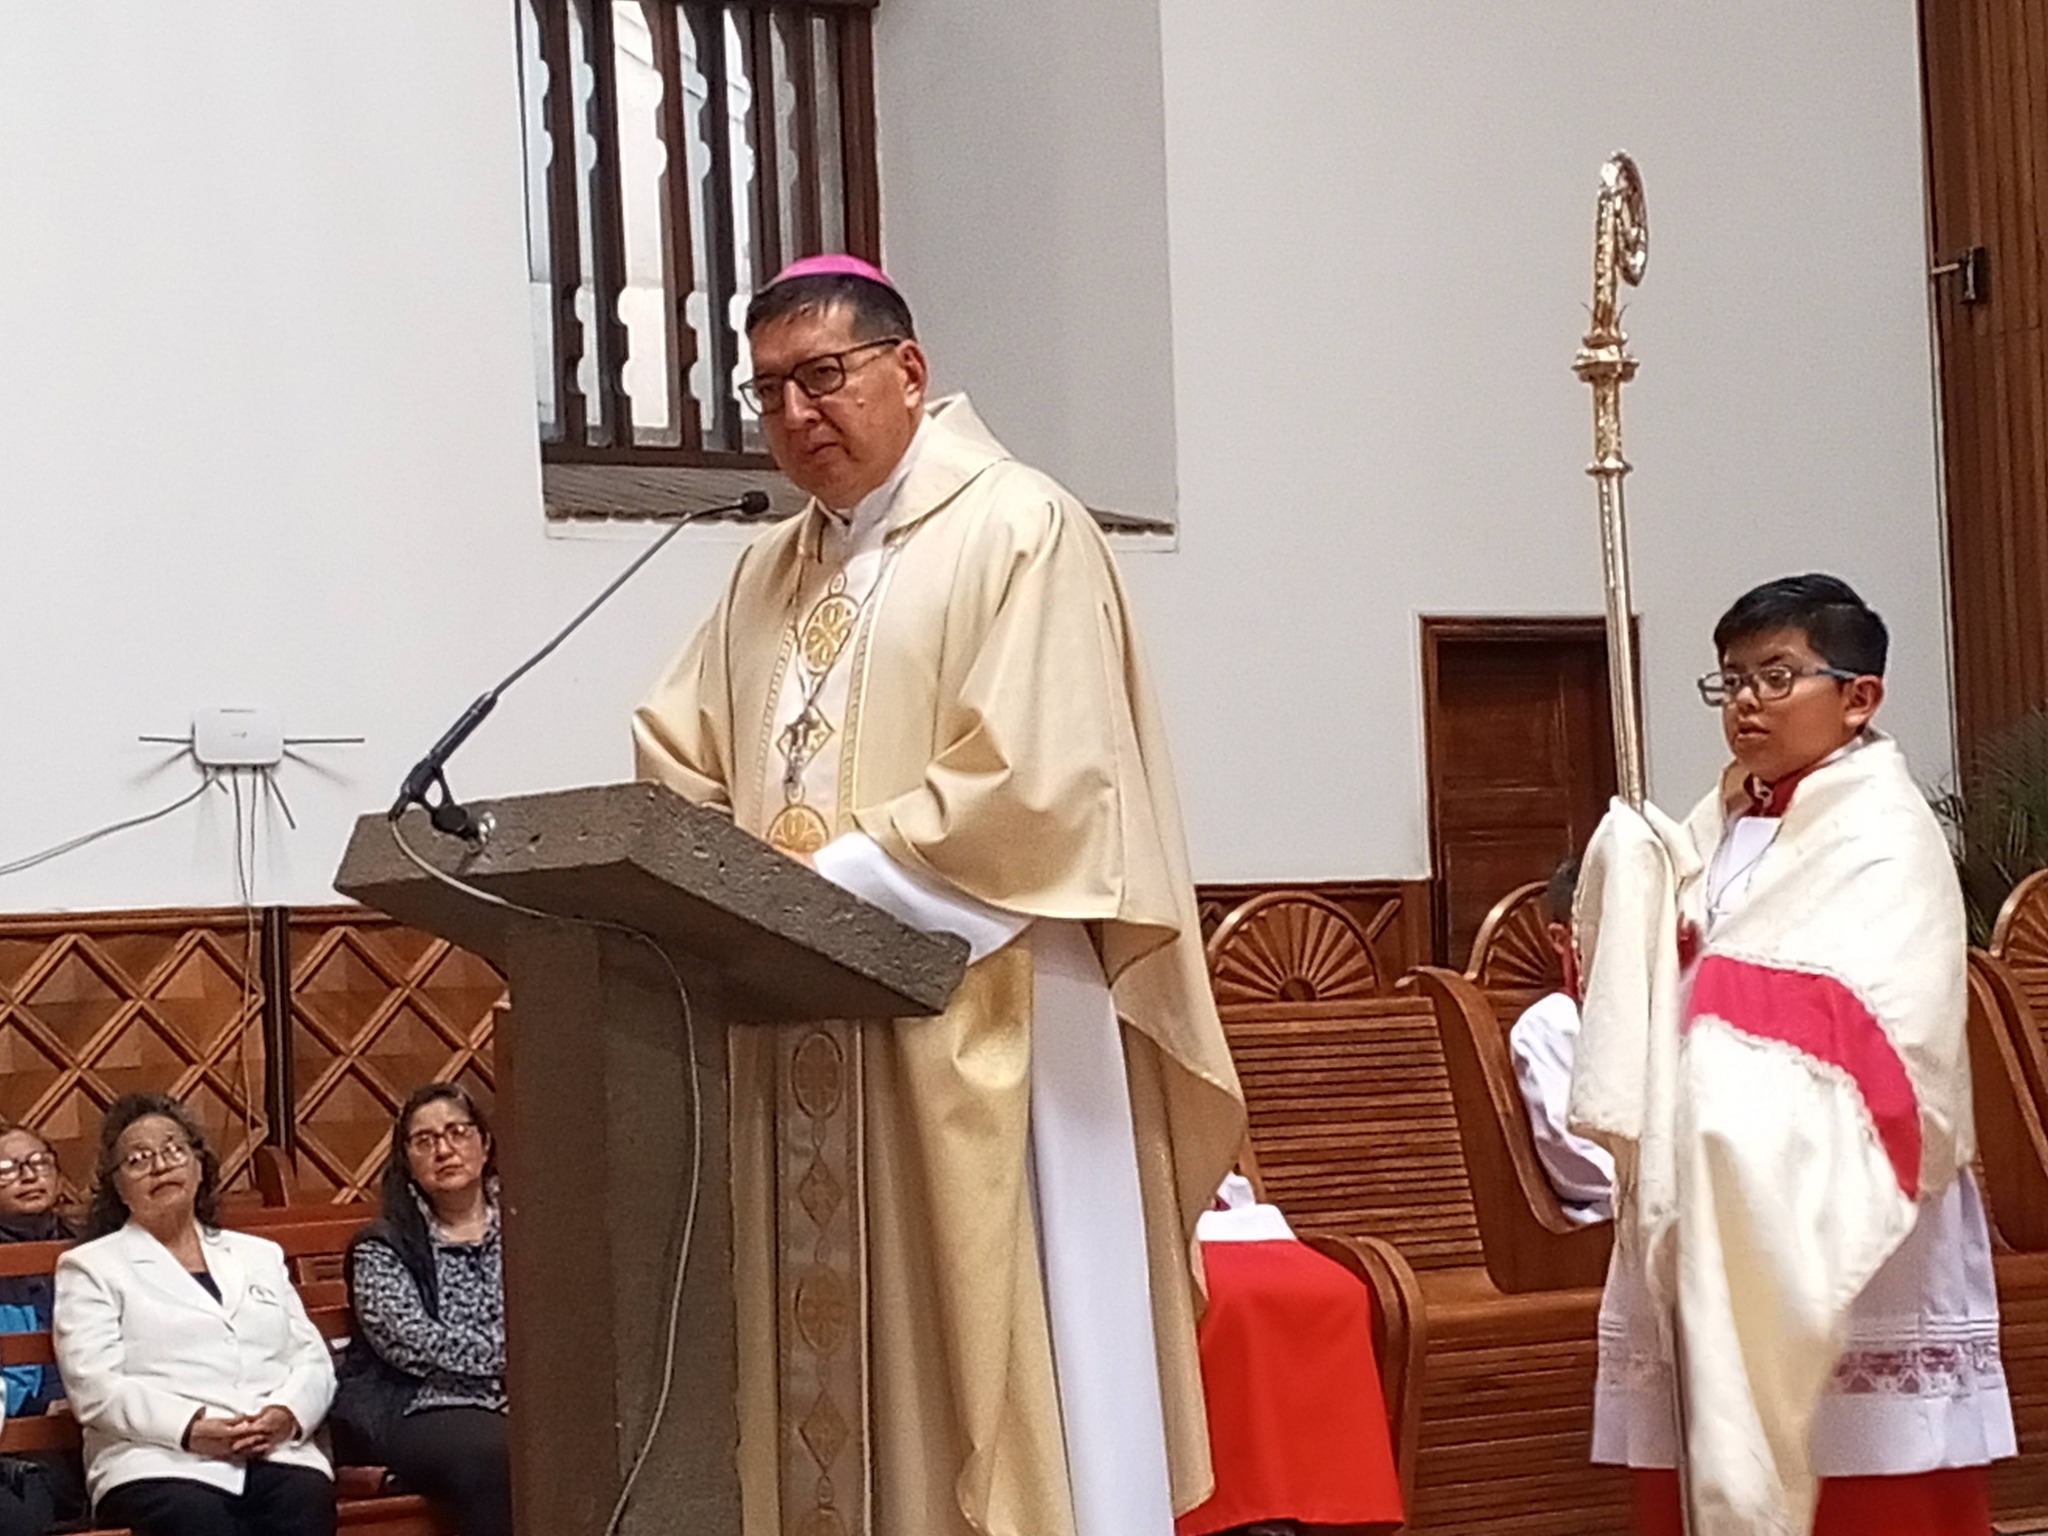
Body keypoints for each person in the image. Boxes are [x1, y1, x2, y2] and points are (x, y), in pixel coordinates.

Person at [634, 254, 1245, 1536]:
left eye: (822, 376)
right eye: (766, 391)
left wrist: (811, 894)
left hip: (988, 1009)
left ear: (907, 371)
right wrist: (725, 894)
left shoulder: (1018, 528)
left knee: (1006, 1363)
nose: (795, 412)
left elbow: (1035, 782)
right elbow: (678, 756)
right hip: (801, 1030)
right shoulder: (762, 573)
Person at [1572, 575, 2012, 1536]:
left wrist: (1709, 1035)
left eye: (1777, 677)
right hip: (1708, 1182)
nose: (1746, 703)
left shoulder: (1885, 835)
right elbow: (1659, 984)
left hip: (1836, 1194)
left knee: (1868, 1490)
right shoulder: (1713, 824)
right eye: (1731, 680)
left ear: (1859, 696)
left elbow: (1884, 1016)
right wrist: (1637, 892)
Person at [51, 1093, 337, 1536]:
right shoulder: (91, 1267)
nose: (160, 1166)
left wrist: (287, 1413)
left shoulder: (258, 1255)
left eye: (173, 1149)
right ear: (117, 1187)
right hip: (157, 1459)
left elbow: (312, 1358)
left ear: (200, 1167)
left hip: (272, 1448)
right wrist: (190, 1429)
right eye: (138, 1159)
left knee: (304, 1500)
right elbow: (95, 1387)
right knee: (199, 1519)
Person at [341, 1084, 509, 1536]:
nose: (444, 1150)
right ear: (407, 1161)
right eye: (425, 1141)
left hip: (527, 1398)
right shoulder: (383, 1244)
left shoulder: (527, 1222)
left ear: (484, 1143)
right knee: (499, 1454)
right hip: (423, 1403)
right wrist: (512, 1359)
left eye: (457, 1132)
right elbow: (410, 1340)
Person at [1506, 859, 1615, 1222]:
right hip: (1607, 1223)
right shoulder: (1550, 1026)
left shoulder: (1667, 1009)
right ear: (1561, 938)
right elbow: (1572, 1156)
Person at [0, 1126, 87, 1529]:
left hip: (101, 1415)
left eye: (39, 1162)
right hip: (18, 1432)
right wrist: (36, 1407)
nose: (29, 1175)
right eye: (7, 1168)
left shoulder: (93, 1246)